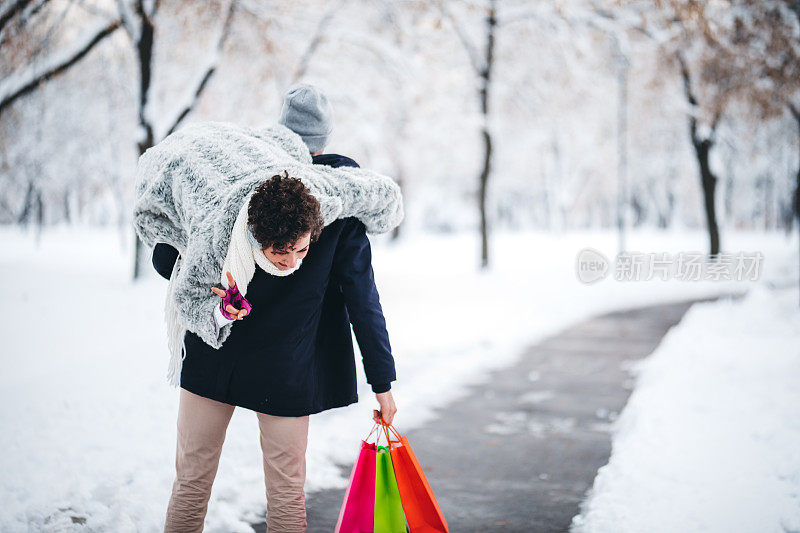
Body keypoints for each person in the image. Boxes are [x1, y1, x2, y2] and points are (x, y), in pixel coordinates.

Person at [155, 84, 397, 532]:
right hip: (286, 369)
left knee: (190, 484)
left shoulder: (225, 176)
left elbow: (165, 258)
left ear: (279, 129)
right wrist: (381, 380)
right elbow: (363, 299)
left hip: (213, 350)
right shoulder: (344, 201)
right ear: (324, 141)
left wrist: (211, 285)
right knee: (286, 495)